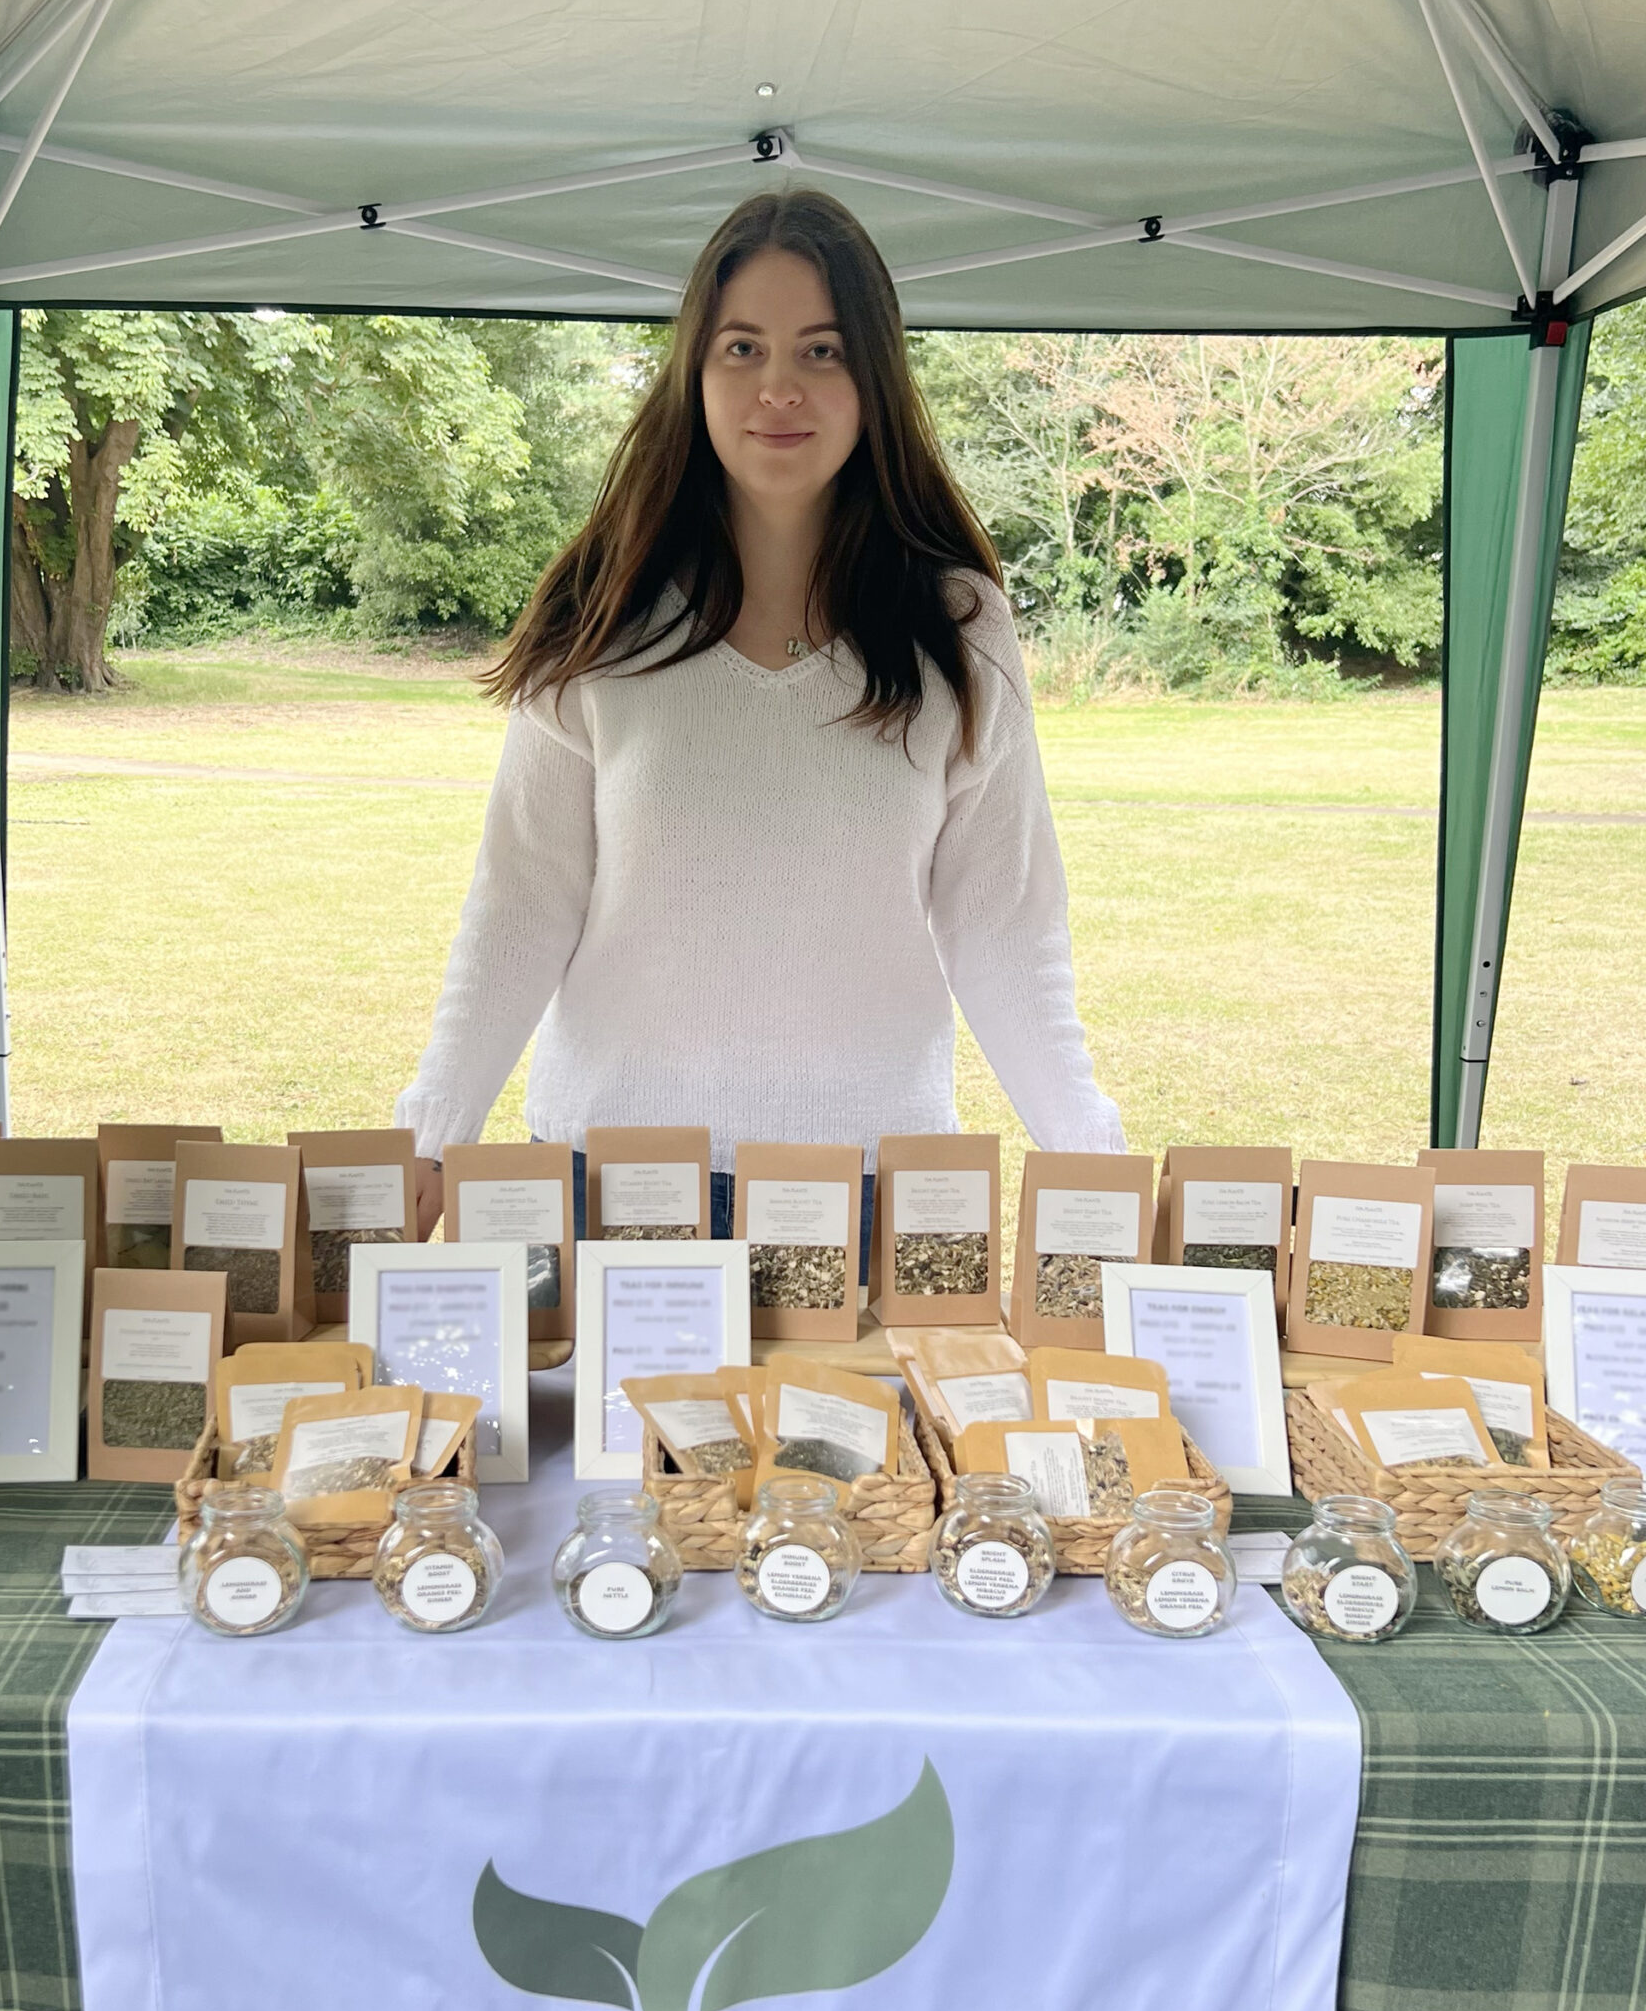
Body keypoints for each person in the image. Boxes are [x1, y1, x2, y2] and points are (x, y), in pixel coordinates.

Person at [397, 187, 1123, 1248]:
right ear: (695, 369)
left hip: (872, 1193)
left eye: (822, 351)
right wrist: (429, 1135)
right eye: (743, 347)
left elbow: (1003, 921)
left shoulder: (957, 624)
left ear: (876, 379)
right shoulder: (603, 611)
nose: (779, 386)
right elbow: (523, 899)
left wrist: (1090, 1157)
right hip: (612, 1184)